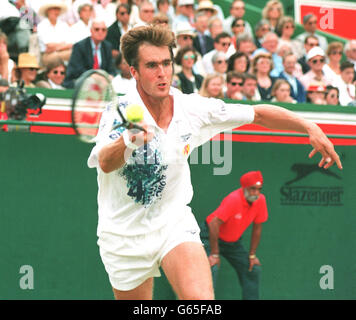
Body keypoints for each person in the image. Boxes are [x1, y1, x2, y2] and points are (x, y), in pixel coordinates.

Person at [87, 25, 342, 300]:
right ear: (134, 71)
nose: (162, 73)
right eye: (151, 65)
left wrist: (308, 126)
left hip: (172, 223)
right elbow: (105, 162)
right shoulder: (120, 112)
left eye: (166, 63)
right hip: (122, 236)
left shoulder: (192, 109)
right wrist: (128, 140)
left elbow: (257, 114)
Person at [200, 171, 267, 300]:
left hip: (232, 242)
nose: (256, 193)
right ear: (245, 188)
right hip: (210, 237)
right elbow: (214, 224)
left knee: (253, 269)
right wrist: (214, 254)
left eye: (259, 189)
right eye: (253, 189)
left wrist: (252, 255)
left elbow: (257, 228)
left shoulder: (261, 201)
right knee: (211, 268)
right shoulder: (234, 199)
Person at [63, 19, 116, 88]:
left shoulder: (107, 46)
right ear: (91, 31)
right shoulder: (79, 46)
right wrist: (92, 76)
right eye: (97, 29)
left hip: (101, 84)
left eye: (103, 30)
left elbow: (111, 69)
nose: (100, 32)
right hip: (81, 82)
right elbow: (76, 70)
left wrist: (110, 76)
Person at [37, 0, 73, 68]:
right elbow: (49, 45)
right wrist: (62, 44)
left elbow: (70, 44)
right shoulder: (42, 25)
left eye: (58, 9)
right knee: (72, 54)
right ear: (48, 11)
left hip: (61, 52)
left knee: (74, 53)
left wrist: (56, 47)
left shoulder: (63, 25)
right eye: (54, 9)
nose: (56, 12)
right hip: (48, 55)